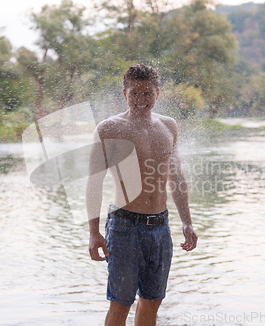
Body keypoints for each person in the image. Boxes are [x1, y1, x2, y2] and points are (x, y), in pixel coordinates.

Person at [86, 64, 198, 326]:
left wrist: (187, 222)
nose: (140, 100)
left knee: (152, 301)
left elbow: (177, 177)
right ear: (125, 94)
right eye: (134, 94)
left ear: (157, 94)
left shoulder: (169, 127)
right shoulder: (108, 129)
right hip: (124, 227)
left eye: (147, 94)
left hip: (160, 227)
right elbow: (94, 183)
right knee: (120, 303)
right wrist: (93, 232)